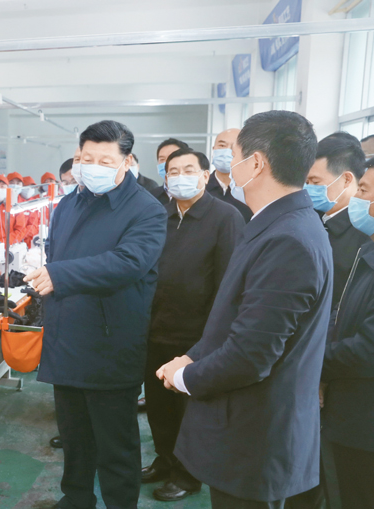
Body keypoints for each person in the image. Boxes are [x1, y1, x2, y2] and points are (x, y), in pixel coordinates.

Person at [158, 111, 332, 508]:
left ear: (255, 164)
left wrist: (185, 376)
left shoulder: (289, 239)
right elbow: (238, 316)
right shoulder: (275, 224)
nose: (230, 167)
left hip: (255, 438)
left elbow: (251, 355)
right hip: (247, 432)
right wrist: (193, 355)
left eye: (234, 156)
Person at [25, 120, 167, 509]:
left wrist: (59, 275)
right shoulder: (69, 204)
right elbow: (56, 255)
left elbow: (128, 262)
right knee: (74, 437)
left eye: (105, 160)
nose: (94, 167)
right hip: (66, 338)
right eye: (87, 158)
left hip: (109, 343)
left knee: (115, 443)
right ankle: (76, 498)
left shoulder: (146, 210)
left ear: (126, 162)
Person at [142, 148, 244, 502]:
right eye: (173, 171)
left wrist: (211, 339)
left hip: (196, 337)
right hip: (156, 329)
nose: (180, 176)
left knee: (189, 411)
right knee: (158, 407)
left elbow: (229, 284)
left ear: (205, 175)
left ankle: (187, 475)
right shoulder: (161, 214)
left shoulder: (225, 217)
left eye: (189, 170)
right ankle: (165, 459)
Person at [322, 159, 374, 508]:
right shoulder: (367, 249)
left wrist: (312, 359)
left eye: (364, 191)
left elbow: (367, 349)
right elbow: (344, 315)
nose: (356, 197)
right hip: (349, 416)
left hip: (364, 423)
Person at [305, 132, 370, 313]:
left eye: (315, 182)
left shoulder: (363, 231)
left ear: (346, 179)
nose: (308, 188)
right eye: (306, 181)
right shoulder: (310, 219)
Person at [207, 128, 253, 222]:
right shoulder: (201, 187)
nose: (226, 151)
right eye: (222, 145)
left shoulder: (253, 188)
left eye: (234, 146)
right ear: (213, 149)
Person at [150, 139, 189, 205]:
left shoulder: (196, 193)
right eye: (162, 159)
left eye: (172, 157)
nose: (166, 163)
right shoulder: (151, 197)